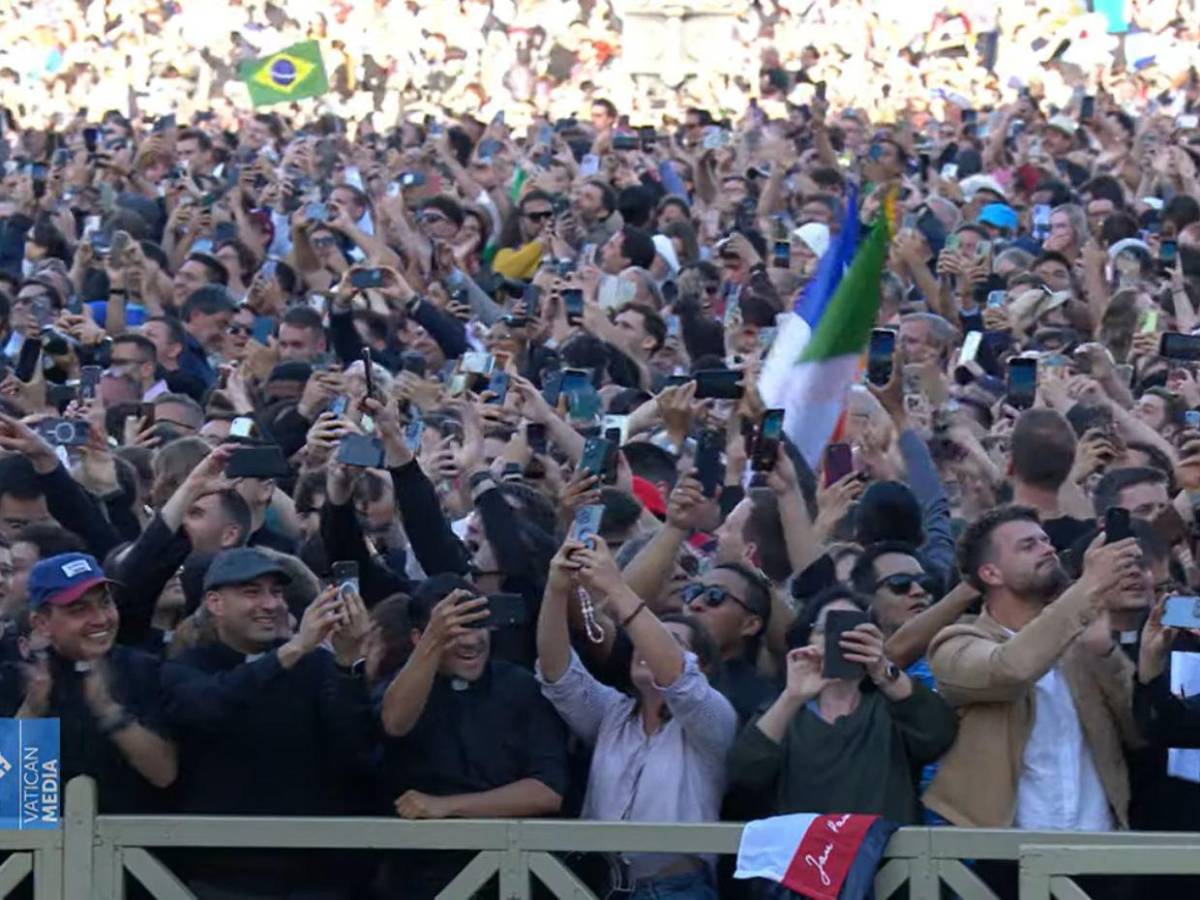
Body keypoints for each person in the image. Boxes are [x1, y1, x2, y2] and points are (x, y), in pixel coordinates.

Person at [164, 547, 374, 899]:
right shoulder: (185, 667)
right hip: (221, 876)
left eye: (276, 592)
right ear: (215, 603)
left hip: (315, 877)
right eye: (251, 592)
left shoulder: (315, 667)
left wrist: (347, 661)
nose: (270, 604)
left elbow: (356, 749)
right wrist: (293, 649)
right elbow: (211, 706)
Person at [538, 536, 736, 898]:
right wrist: (556, 590)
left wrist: (615, 586)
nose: (645, 648)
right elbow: (558, 674)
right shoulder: (613, 714)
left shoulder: (714, 720)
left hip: (676, 891)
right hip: (594, 887)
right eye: (644, 639)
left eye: (672, 641)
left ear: (702, 666)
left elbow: (677, 680)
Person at [926, 506, 1143, 830]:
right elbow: (1011, 669)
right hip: (1005, 857)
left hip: (1099, 851)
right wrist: (1089, 586)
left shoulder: (1080, 642)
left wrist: (1105, 653)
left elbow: (1137, 733)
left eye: (1045, 541)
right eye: (1028, 546)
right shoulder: (956, 644)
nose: (1047, 548)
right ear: (990, 573)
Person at [377, 575, 569, 898]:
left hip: (516, 877)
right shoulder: (400, 687)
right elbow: (394, 724)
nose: (471, 641)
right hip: (421, 879)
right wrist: (434, 641)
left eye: (478, 625)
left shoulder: (519, 686)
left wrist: (446, 806)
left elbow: (547, 791)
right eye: (455, 630)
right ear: (418, 638)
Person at [728, 586, 956, 824]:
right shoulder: (787, 711)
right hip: (805, 855)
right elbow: (745, 774)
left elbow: (939, 734)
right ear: (806, 640)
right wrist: (792, 697)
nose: (839, 639)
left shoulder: (891, 707)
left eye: (854, 631)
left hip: (885, 855)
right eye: (826, 630)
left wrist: (883, 670)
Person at [0, 552, 177, 812]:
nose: (100, 619)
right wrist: (31, 711)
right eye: (79, 609)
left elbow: (164, 775)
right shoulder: (16, 678)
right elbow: (5, 786)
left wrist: (109, 712)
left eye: (105, 603)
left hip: (132, 845)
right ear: (42, 622)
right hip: (38, 847)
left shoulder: (145, 670)